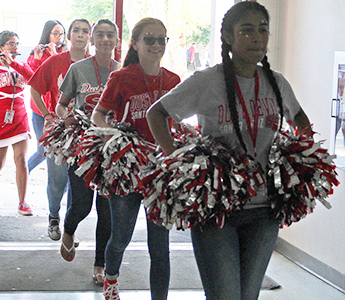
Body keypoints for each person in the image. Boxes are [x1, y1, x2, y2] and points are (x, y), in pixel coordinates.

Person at [146, 2, 311, 300]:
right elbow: (156, 114)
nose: (257, 37)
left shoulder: (276, 83)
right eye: (246, 30)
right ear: (228, 36)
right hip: (216, 212)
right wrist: (176, 160)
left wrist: (301, 159)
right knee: (225, 296)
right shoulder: (206, 81)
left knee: (247, 296)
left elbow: (300, 119)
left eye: (263, 29)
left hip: (265, 211)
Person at [91, 17, 181, 300]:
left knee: (160, 246)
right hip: (127, 171)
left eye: (161, 39)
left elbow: (177, 122)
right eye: (149, 39)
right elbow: (98, 114)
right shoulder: (121, 78)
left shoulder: (174, 81)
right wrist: (112, 137)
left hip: (160, 172)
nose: (156, 45)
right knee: (120, 238)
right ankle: (111, 280)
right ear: (136, 43)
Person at [55, 19, 120, 286]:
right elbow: (61, 105)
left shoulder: (123, 72)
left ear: (117, 40)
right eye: (100, 35)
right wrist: (66, 118)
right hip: (83, 148)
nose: (105, 39)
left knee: (106, 212)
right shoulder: (78, 69)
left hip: (112, 151)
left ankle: (99, 265)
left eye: (110, 35)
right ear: (92, 40)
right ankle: (68, 231)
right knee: (81, 205)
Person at [28, 19, 91, 241]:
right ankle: (53, 216)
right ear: (69, 36)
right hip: (59, 134)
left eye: (85, 31)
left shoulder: (96, 65)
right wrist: (47, 114)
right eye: (77, 31)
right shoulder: (55, 62)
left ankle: (69, 228)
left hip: (87, 136)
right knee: (57, 181)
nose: (81, 35)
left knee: (79, 185)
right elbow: (34, 89)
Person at [0, 31, 34, 216]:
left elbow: (33, 78)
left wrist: (14, 64)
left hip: (20, 115)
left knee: (21, 160)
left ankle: (22, 202)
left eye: (17, 44)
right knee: (0, 162)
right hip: (1, 116)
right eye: (11, 43)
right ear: (1, 47)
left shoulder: (20, 66)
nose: (15, 47)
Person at [27, 20, 68, 174]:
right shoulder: (37, 53)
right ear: (47, 35)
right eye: (55, 34)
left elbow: (65, 80)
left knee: (61, 151)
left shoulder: (66, 54)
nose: (59, 37)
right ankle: (23, 171)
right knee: (42, 150)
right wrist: (37, 59)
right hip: (40, 109)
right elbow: (30, 80)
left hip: (59, 110)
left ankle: (63, 186)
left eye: (62, 34)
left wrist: (56, 57)